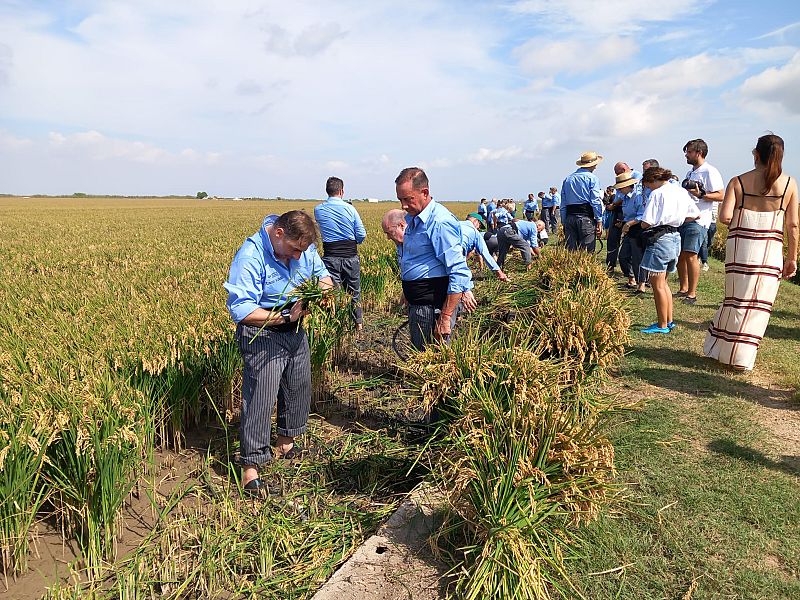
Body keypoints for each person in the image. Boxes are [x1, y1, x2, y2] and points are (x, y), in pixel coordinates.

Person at [224, 210, 334, 494]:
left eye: (303, 251)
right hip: (264, 332)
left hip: (294, 328)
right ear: (279, 234)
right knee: (261, 395)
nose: (299, 257)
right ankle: (251, 466)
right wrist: (284, 318)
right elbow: (243, 309)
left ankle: (285, 443)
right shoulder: (251, 256)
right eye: (295, 250)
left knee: (297, 385)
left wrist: (320, 292)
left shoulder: (303, 250)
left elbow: (323, 277)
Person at [704, 134, 798, 370]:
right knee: (758, 304)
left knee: (736, 299)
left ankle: (723, 350)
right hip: (770, 250)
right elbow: (793, 226)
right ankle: (741, 358)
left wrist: (747, 217)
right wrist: (792, 258)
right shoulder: (789, 184)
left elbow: (724, 217)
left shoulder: (739, 181)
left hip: (741, 249)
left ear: (756, 154)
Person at [396, 167, 474, 350]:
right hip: (420, 305)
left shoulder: (439, 222)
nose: (403, 206)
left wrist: (445, 317)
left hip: (433, 308)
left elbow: (458, 271)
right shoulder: (414, 219)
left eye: (408, 199)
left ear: (424, 193)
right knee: (421, 357)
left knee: (432, 360)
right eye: (400, 200)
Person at [638, 168, 701, 334]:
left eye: (647, 185)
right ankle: (668, 320)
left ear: (651, 180)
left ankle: (661, 324)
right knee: (663, 283)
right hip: (675, 236)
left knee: (657, 284)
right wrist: (677, 220)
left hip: (660, 238)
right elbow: (695, 214)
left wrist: (642, 226)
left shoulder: (657, 193)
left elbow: (647, 221)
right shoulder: (680, 191)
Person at [314, 177, 366, 330]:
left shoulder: (319, 209)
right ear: (342, 191)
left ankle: (335, 325)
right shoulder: (350, 209)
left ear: (327, 191)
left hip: (330, 257)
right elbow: (361, 234)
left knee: (333, 293)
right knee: (354, 291)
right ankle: (358, 324)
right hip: (351, 256)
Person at [676, 139, 724, 305]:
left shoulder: (710, 171)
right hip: (685, 218)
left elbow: (720, 195)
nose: (686, 155)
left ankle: (692, 294)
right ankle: (683, 289)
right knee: (680, 256)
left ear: (699, 153)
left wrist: (701, 195)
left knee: (691, 255)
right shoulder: (690, 173)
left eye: (689, 152)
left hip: (700, 219)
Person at [560, 151, 604, 252]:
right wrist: (599, 220)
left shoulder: (568, 179)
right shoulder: (592, 178)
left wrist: (564, 222)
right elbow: (595, 201)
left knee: (571, 252)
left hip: (570, 218)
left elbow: (563, 204)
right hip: (586, 218)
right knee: (587, 253)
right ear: (592, 165)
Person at [614, 171, 647, 294]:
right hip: (628, 229)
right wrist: (623, 222)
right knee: (623, 256)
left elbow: (641, 215)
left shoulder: (638, 197)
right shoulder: (625, 198)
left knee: (638, 258)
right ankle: (632, 278)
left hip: (637, 229)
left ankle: (641, 284)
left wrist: (628, 224)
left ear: (627, 186)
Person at [461, 213, 509, 280]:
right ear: (476, 221)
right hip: (496, 239)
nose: (478, 228)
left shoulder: (455, 224)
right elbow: (485, 254)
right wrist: (500, 273)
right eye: (479, 225)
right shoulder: (475, 232)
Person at [699, 202, 718, 272]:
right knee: (704, 241)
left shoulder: (718, 193)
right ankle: (705, 262)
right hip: (703, 221)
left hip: (713, 222)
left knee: (709, 243)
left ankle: (699, 256)